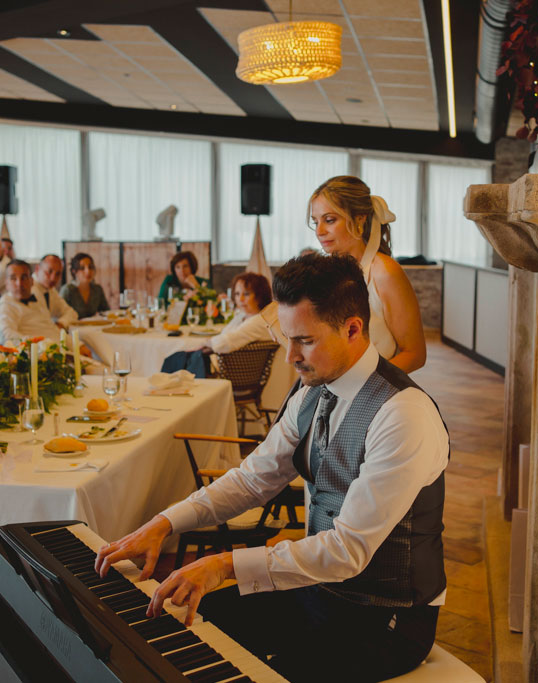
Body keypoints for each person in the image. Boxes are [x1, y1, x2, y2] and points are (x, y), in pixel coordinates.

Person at [96, 253, 449, 683]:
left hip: (385, 618)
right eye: (287, 338)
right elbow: (252, 479)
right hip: (320, 592)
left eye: (304, 340)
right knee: (178, 631)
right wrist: (165, 522)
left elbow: (347, 551)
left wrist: (226, 565)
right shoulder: (312, 392)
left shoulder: (403, 414)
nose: (289, 357)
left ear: (353, 328)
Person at [309, 176, 426, 373]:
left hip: (376, 392)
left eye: (329, 220)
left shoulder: (385, 273)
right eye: (315, 222)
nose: (319, 231)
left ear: (360, 218)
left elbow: (415, 354)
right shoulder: (325, 271)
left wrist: (362, 386)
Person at [0, 260, 99, 361]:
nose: (19, 283)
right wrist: (42, 346)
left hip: (61, 352)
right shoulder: (5, 306)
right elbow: (6, 337)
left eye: (24, 277)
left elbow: (52, 329)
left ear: (31, 281)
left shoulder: (38, 298)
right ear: (6, 283)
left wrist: (77, 345)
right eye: (13, 278)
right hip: (38, 359)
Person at [201, 272, 273, 355]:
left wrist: (206, 342)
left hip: (236, 366)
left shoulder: (259, 321)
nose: (240, 299)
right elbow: (223, 335)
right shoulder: (242, 316)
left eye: (246, 294)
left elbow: (223, 343)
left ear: (260, 296)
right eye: (237, 294)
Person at [33, 254, 78, 329]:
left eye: (58, 274)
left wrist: (60, 324)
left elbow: (72, 313)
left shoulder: (51, 291)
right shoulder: (28, 289)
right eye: (49, 271)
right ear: (37, 269)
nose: (53, 278)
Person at [60, 253, 109, 319]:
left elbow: (106, 313)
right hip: (73, 328)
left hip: (93, 327)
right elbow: (60, 316)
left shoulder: (97, 289)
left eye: (90, 267)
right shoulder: (67, 290)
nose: (87, 271)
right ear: (74, 271)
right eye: (82, 268)